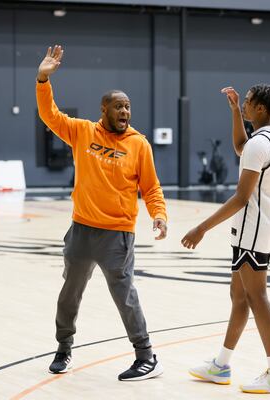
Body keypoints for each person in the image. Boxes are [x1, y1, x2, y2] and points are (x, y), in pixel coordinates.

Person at [36, 45, 168, 381]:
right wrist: (42, 80)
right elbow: (50, 115)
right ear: (104, 110)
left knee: (124, 297)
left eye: (128, 107)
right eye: (118, 106)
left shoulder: (139, 144)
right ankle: (64, 349)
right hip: (81, 230)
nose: (125, 111)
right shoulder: (82, 132)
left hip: (117, 235)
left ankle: (146, 356)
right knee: (69, 294)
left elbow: (151, 187)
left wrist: (159, 214)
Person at [181, 84, 270, 394]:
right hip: (253, 228)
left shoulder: (261, 144)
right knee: (239, 296)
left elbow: (242, 197)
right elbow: (241, 146)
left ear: (261, 109)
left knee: (257, 297)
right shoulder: (268, 137)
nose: (243, 104)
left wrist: (201, 227)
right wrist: (233, 113)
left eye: (246, 102)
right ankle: (221, 364)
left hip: (254, 228)